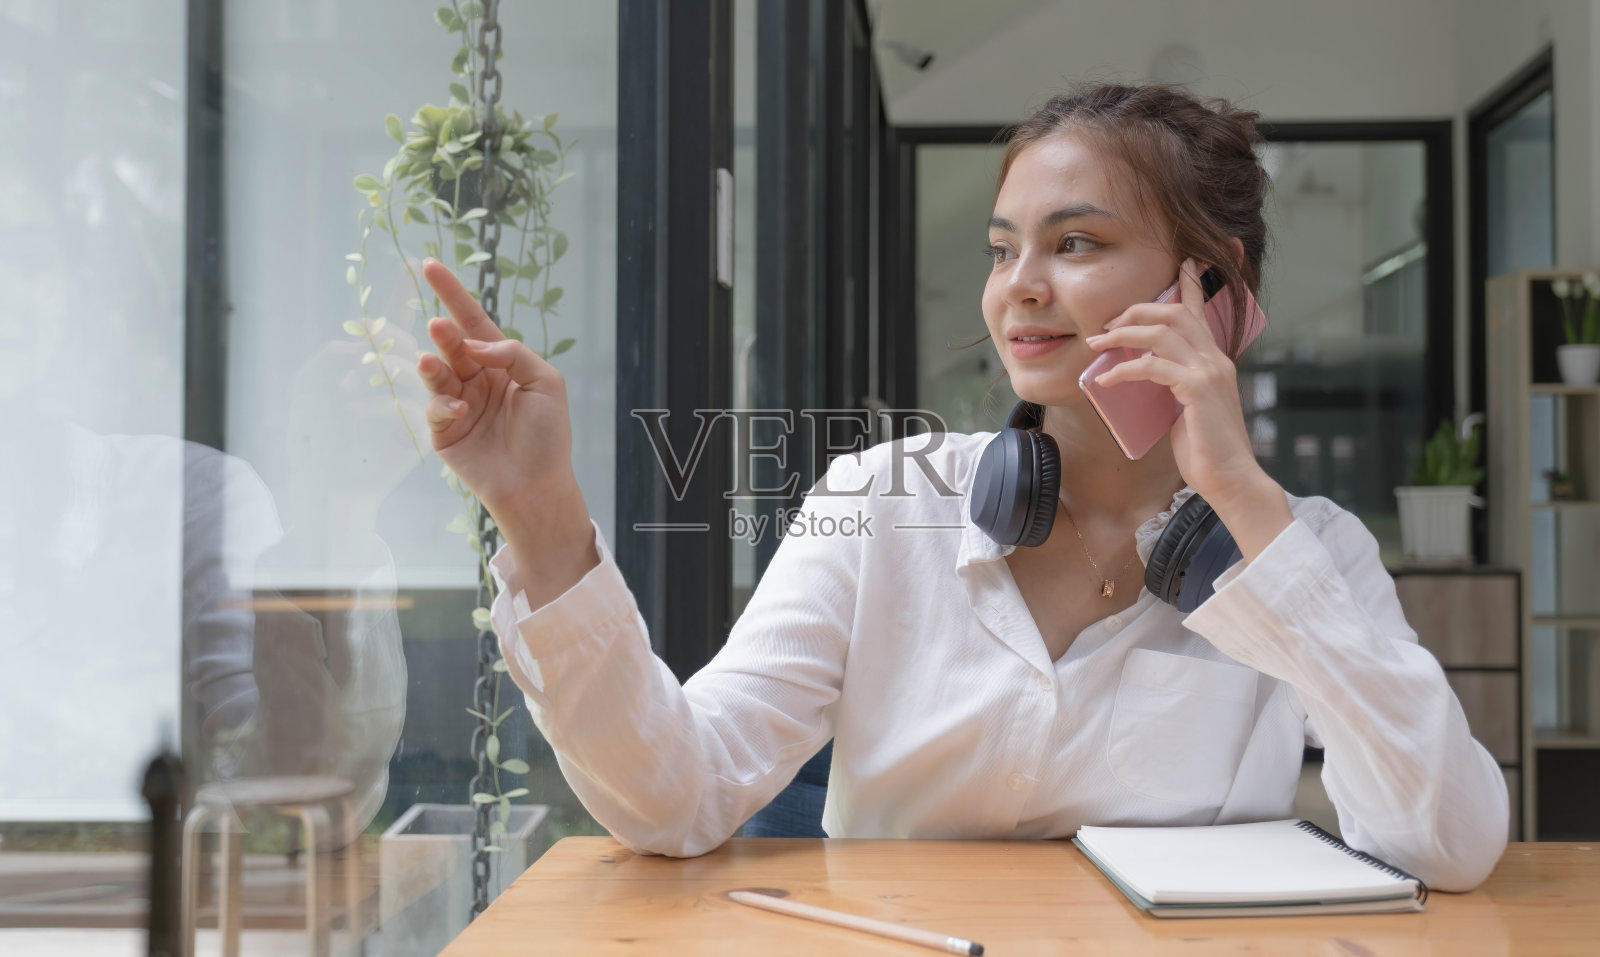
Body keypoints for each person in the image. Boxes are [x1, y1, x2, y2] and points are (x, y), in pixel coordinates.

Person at [413, 83, 1508, 891]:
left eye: (1074, 243)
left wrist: (1239, 499)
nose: (1019, 290)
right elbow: (676, 797)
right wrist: (541, 515)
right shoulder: (882, 502)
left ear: (1208, 285)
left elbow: (1449, 847)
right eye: (1000, 250)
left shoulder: (1304, 550)